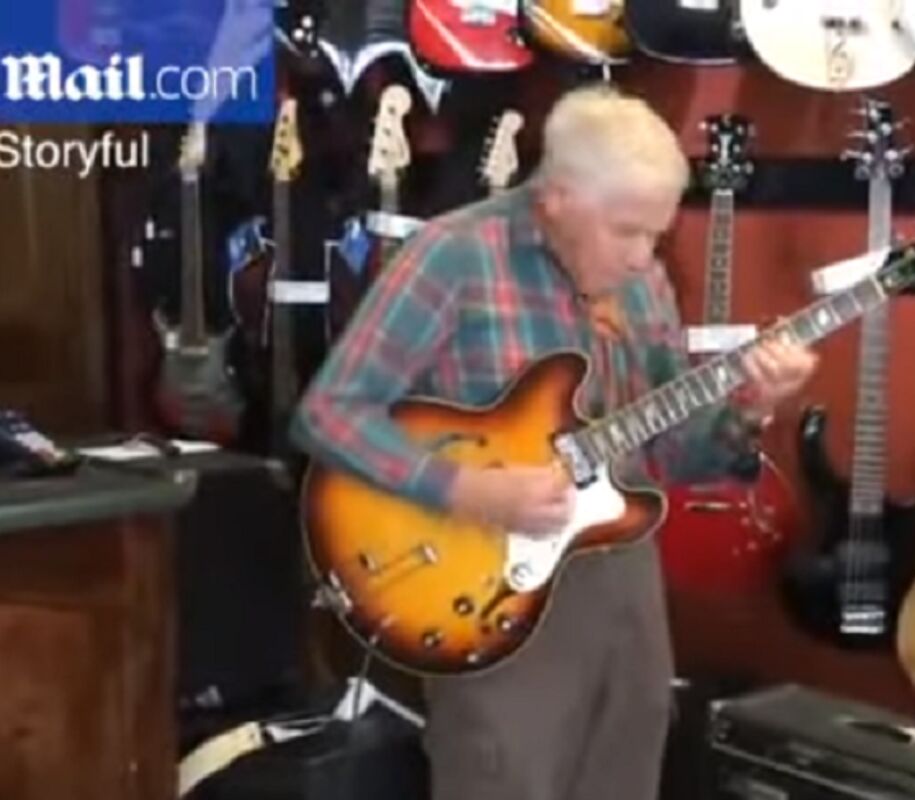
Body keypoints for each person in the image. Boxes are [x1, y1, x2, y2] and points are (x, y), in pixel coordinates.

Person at [291, 84, 819, 800]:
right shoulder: (452, 256)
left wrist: (751, 407)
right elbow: (329, 413)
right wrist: (468, 488)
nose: (643, 256)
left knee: (627, 766)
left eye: (656, 235)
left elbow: (669, 453)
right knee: (505, 774)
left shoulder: (643, 282)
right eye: (627, 231)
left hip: (622, 572)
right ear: (558, 199)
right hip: (482, 574)